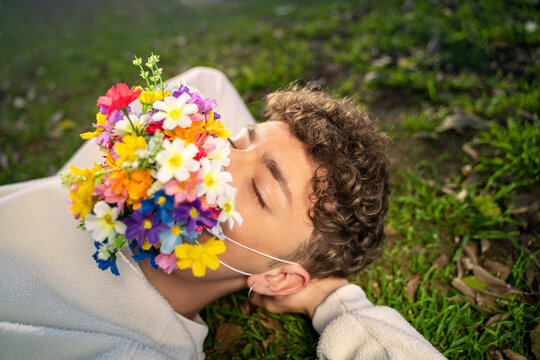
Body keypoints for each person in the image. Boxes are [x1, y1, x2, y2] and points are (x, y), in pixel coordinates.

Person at [0, 67, 446, 359]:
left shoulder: (130, 346)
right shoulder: (141, 164)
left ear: (278, 279)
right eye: (236, 140)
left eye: (259, 190)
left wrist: (337, 301)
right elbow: (208, 85)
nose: (211, 162)